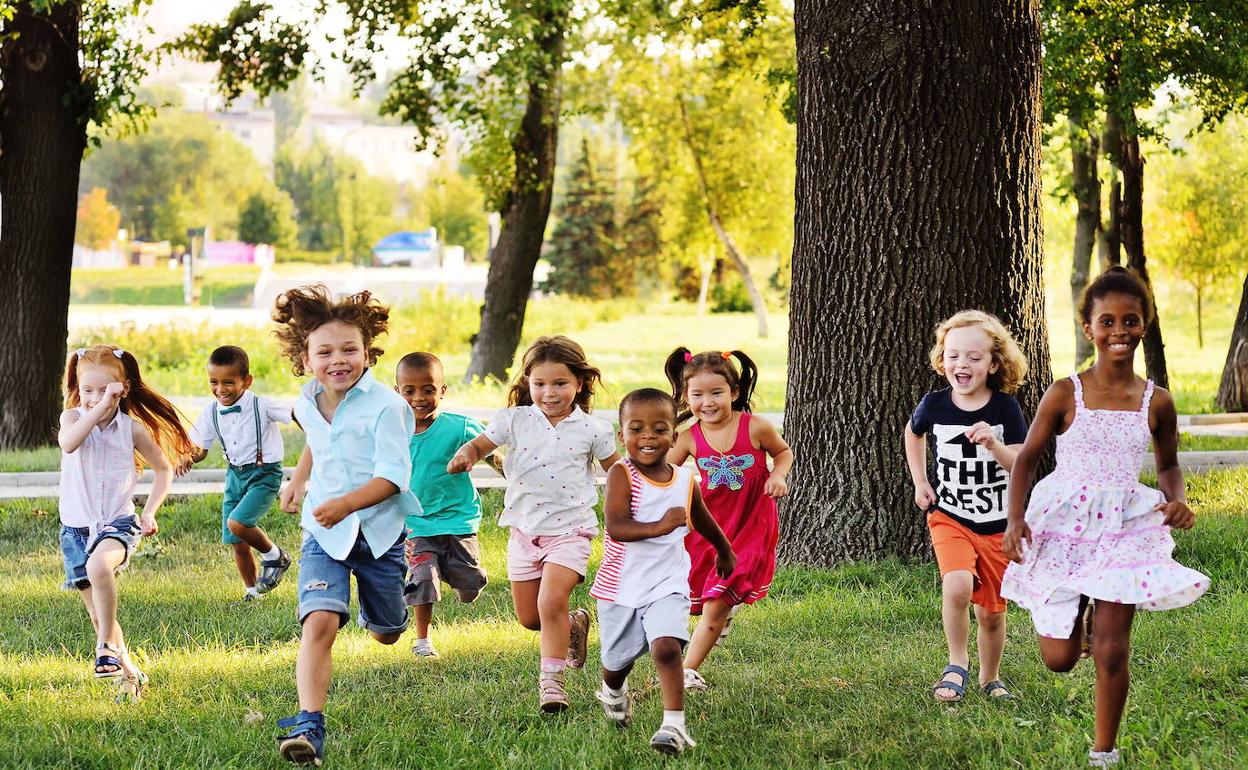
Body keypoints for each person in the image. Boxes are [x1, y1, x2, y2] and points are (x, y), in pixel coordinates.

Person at [1001, 267, 1209, 768]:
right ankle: (1081, 612)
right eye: (1108, 321)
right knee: (1060, 659)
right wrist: (1014, 520)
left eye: (1131, 320)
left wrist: (1175, 498)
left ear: (1145, 325)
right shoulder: (1065, 392)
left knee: (1113, 650)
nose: (1120, 330)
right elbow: (1027, 458)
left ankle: (1104, 751)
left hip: (1126, 527)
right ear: (1089, 328)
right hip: (1064, 522)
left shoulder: (1155, 401)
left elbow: (1168, 464)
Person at [272, 285, 421, 766]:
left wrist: (344, 504)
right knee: (319, 622)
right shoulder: (308, 398)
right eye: (325, 351)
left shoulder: (388, 406)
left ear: (367, 352)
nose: (339, 360)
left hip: (378, 533)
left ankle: (384, 614)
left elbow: (393, 479)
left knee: (388, 632)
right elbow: (320, 440)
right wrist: (298, 480)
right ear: (305, 356)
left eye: (350, 349)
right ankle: (309, 724)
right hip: (324, 533)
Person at [448, 335, 619, 712]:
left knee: (550, 600)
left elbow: (619, 472)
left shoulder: (593, 430)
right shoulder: (515, 420)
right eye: (540, 383)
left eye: (560, 383)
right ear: (528, 383)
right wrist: (466, 455)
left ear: (579, 383)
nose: (549, 392)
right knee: (530, 618)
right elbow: (480, 445)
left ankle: (552, 686)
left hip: (571, 531)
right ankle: (572, 625)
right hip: (524, 532)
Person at [590, 388, 735, 755]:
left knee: (667, 648)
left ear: (674, 435)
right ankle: (612, 690)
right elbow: (618, 527)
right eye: (636, 429)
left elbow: (701, 518)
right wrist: (659, 526)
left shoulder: (685, 479)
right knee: (615, 662)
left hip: (668, 581)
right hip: (620, 586)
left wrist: (724, 550)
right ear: (622, 436)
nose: (648, 437)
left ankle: (674, 726)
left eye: (659, 429)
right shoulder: (622, 474)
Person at [904, 310, 1029, 703]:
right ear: (943, 359)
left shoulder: (1005, 409)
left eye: (974, 358)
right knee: (956, 584)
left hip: (997, 523)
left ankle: (990, 677)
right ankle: (956, 663)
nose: (963, 364)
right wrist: (921, 482)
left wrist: (993, 443)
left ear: (994, 363)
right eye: (954, 355)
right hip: (950, 516)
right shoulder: (934, 404)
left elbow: (1022, 464)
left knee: (992, 613)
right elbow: (913, 434)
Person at [58, 345, 194, 702]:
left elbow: (163, 469)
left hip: (117, 523)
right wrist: (98, 407)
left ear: (123, 389)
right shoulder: (71, 419)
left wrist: (149, 511)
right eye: (87, 390)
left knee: (99, 565)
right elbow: (70, 444)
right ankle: (129, 672)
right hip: (75, 529)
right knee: (96, 612)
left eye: (104, 390)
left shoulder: (130, 429)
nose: (94, 398)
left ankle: (104, 645)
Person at [663, 348, 792, 691]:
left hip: (751, 525)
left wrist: (778, 475)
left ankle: (686, 670)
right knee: (697, 592)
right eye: (697, 394)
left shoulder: (755, 427)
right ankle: (719, 616)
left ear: (733, 393)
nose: (708, 402)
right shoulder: (689, 437)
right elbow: (664, 472)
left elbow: (783, 452)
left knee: (717, 600)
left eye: (717, 393)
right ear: (685, 396)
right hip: (708, 526)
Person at [394, 352, 489, 658]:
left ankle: (465, 579)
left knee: (468, 584)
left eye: (428, 390)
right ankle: (423, 641)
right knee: (422, 578)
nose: (418, 398)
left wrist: (509, 471)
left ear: (443, 390)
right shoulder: (393, 433)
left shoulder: (459, 427)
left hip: (457, 519)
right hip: (417, 523)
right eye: (409, 391)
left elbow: (490, 449)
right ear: (397, 392)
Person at [182, 345, 293, 602]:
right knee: (236, 540)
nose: (220, 389)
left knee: (238, 523)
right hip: (234, 476)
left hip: (263, 475)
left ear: (247, 381)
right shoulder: (211, 411)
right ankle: (252, 592)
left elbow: (295, 413)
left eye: (228, 382)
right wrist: (187, 458)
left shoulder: (261, 405)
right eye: (214, 382)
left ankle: (275, 556)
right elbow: (200, 449)